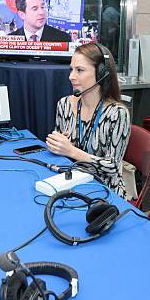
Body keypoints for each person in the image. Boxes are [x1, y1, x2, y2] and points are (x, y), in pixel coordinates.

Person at [46, 43, 131, 197]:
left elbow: (112, 167)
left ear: (102, 73)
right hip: (71, 181)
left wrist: (71, 150)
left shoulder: (117, 113)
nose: (71, 76)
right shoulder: (64, 104)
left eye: (80, 70)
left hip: (104, 189)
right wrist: (56, 144)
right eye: (71, 69)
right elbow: (59, 150)